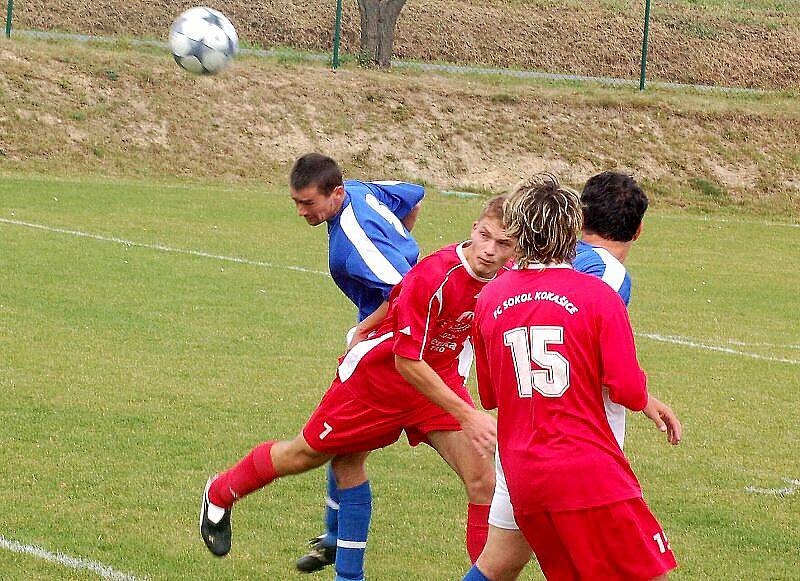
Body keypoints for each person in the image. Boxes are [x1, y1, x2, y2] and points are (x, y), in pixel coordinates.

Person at [199, 197, 516, 581]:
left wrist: (368, 324)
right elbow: (406, 357)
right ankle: (220, 492)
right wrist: (469, 414)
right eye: (484, 236)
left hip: (436, 383)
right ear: (473, 228)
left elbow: (397, 294)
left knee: (484, 482)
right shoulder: (438, 273)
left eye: (503, 244)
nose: (489, 250)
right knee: (309, 456)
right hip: (378, 380)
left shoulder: (509, 274)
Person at [466, 174, 678, 581]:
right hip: (585, 470)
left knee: (500, 564)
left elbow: (490, 395)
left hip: (522, 468)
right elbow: (629, 390)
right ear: (572, 228)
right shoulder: (598, 295)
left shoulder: (490, 297)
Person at [288, 153, 425, 572]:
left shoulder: (352, 240)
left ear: (336, 193)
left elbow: (404, 292)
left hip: (395, 339)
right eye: (295, 202)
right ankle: (333, 540)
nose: (301, 212)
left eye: (308, 204)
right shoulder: (362, 190)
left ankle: (343, 559)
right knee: (344, 448)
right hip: (401, 329)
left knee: (340, 448)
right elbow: (414, 196)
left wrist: (364, 329)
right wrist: (400, 239)